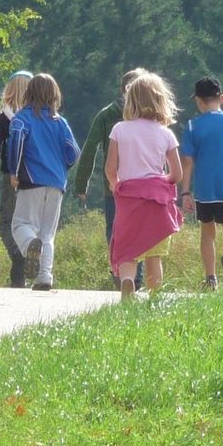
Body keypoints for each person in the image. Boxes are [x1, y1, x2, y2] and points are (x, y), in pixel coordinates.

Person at [104, 71, 184, 300]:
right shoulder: (166, 134)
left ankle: (128, 282)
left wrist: (116, 185)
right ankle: (155, 296)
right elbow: (176, 174)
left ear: (131, 100)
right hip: (156, 201)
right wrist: (160, 183)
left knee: (128, 250)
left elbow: (110, 168)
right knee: (154, 255)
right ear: (161, 100)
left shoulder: (120, 129)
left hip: (129, 198)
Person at [74, 68, 148, 290]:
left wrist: (81, 183)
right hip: (143, 187)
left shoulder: (107, 114)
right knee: (141, 231)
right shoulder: (151, 116)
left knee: (115, 231)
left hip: (114, 186)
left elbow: (89, 150)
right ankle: (136, 279)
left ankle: (121, 273)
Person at [7, 73, 81, 291]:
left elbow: (17, 141)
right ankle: (44, 276)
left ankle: (30, 245)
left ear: (29, 93)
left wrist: (13, 170)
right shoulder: (61, 123)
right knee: (47, 232)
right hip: (57, 183)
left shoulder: (22, 118)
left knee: (21, 224)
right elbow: (74, 152)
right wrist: (61, 167)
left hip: (31, 179)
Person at [179, 77, 223, 291]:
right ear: (222, 98)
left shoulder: (192, 126)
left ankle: (211, 279)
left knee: (207, 234)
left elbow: (188, 162)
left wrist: (185, 192)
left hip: (205, 189)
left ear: (199, 101)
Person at [0, 70, 33, 288]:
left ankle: (18, 258)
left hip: (11, 177)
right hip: (37, 178)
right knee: (29, 223)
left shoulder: (4, 119)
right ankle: (29, 262)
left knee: (6, 222)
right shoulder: (40, 117)